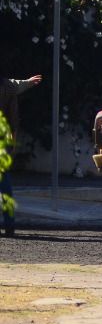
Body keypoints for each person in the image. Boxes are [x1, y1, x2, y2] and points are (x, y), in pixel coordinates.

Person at [0, 73, 42, 238]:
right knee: (5, 186)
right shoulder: (7, 86)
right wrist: (28, 82)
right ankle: (9, 224)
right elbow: (16, 84)